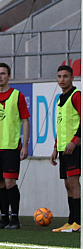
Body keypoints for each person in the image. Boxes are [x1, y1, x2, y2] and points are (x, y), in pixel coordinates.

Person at [0, 63, 30, 230]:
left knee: (10, 182)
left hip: (11, 146)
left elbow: (25, 120)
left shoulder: (17, 96)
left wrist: (25, 145)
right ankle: (3, 217)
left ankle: (15, 219)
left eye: (3, 74)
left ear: (9, 76)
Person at [50, 64, 81, 233]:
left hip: (74, 148)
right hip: (63, 148)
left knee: (74, 183)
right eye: (59, 76)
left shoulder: (76, 96)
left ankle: (77, 222)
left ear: (72, 78)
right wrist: (56, 147)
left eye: (65, 76)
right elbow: (61, 126)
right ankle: (71, 222)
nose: (62, 80)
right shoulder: (60, 99)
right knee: (67, 184)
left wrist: (75, 141)